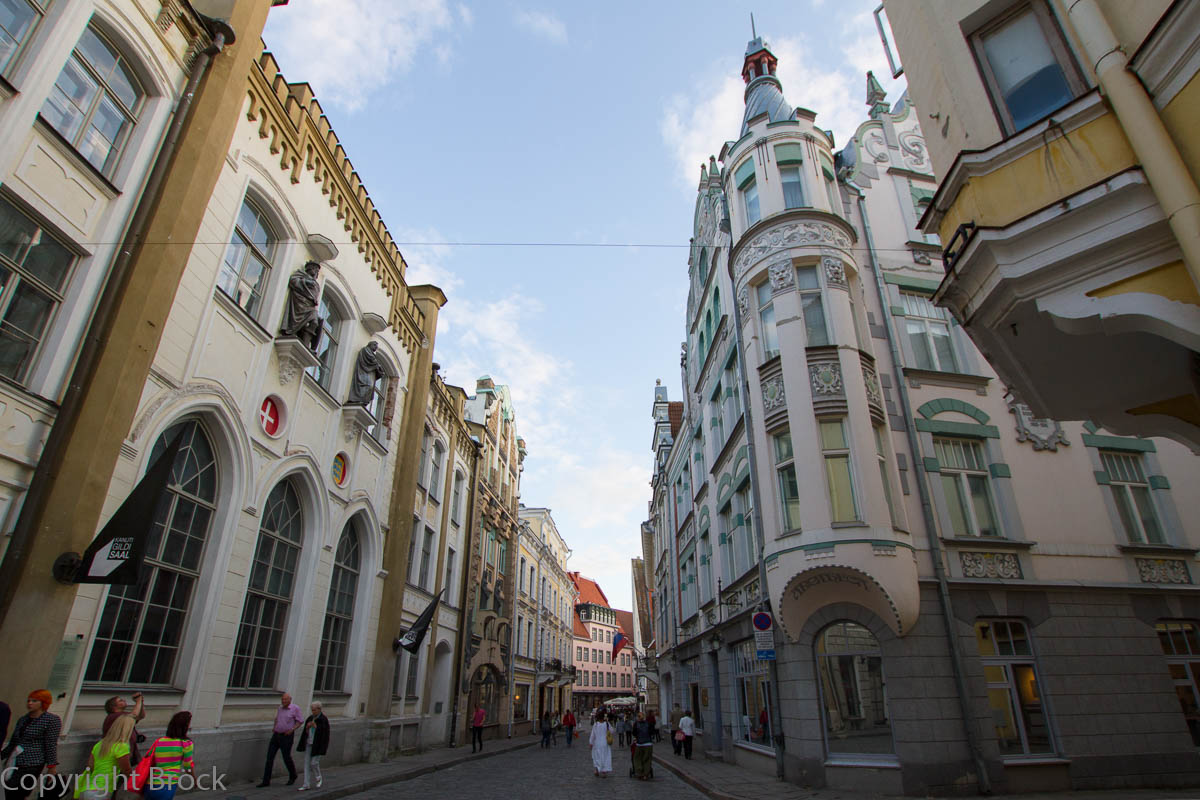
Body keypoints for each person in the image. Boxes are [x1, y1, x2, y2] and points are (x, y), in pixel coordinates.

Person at [2, 690, 60, 800]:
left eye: (34, 701)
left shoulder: (51, 720)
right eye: (28, 700)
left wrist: (52, 766)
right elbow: (14, 742)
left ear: (43, 703)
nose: (30, 703)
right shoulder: (23, 719)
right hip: (14, 761)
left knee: (17, 792)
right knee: (7, 791)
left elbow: (51, 743)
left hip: (32, 764)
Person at [75, 714, 134, 800]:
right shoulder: (122, 746)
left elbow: (90, 766)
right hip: (102, 790)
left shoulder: (100, 744)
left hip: (86, 789)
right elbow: (126, 770)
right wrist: (137, 783)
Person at [140, 711, 195, 800]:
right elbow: (188, 766)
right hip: (167, 784)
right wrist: (194, 778)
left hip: (150, 783)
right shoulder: (186, 744)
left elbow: (149, 761)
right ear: (185, 726)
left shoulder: (159, 741)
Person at [257, 691, 303, 787]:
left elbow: (300, 721)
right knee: (269, 758)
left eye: (285, 699)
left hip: (287, 736)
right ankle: (266, 781)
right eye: (282, 699)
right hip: (276, 735)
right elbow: (277, 718)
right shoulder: (280, 708)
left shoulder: (295, 708)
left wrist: (292, 730)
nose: (283, 701)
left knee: (286, 757)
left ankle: (293, 775)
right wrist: (274, 727)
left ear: (290, 700)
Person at [279, 261, 322, 352]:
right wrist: (306, 282)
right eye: (315, 269)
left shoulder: (316, 284)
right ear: (309, 269)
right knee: (313, 321)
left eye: (317, 271)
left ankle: (307, 346)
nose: (316, 272)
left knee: (315, 323)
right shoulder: (301, 275)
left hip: (309, 306)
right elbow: (293, 280)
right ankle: (296, 335)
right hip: (300, 303)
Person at [102, 691, 145, 766]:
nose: (124, 700)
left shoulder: (123, 715)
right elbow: (134, 715)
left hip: (124, 750)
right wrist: (138, 701)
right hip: (116, 752)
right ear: (114, 707)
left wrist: (140, 702)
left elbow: (140, 716)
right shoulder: (114, 716)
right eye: (120, 700)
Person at [296, 701, 329, 792]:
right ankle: (306, 784)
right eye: (312, 710)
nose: (313, 712)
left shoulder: (323, 719)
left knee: (314, 763)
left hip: (318, 745)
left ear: (319, 709)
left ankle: (318, 777)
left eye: (314, 710)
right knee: (306, 764)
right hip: (309, 743)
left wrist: (316, 727)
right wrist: (307, 728)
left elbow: (325, 734)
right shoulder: (310, 718)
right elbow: (305, 733)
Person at [587, 709, 612, 778]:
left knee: (597, 757)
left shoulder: (596, 724)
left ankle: (597, 770)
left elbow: (593, 735)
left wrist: (591, 743)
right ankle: (604, 772)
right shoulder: (607, 724)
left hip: (597, 743)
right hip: (605, 743)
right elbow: (612, 731)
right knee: (605, 757)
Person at [632, 711, 654, 781]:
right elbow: (652, 732)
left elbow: (634, 733)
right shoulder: (649, 723)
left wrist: (638, 736)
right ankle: (645, 774)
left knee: (637, 758)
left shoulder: (636, 724)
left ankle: (639, 772)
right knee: (647, 759)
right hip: (648, 744)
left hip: (639, 744)